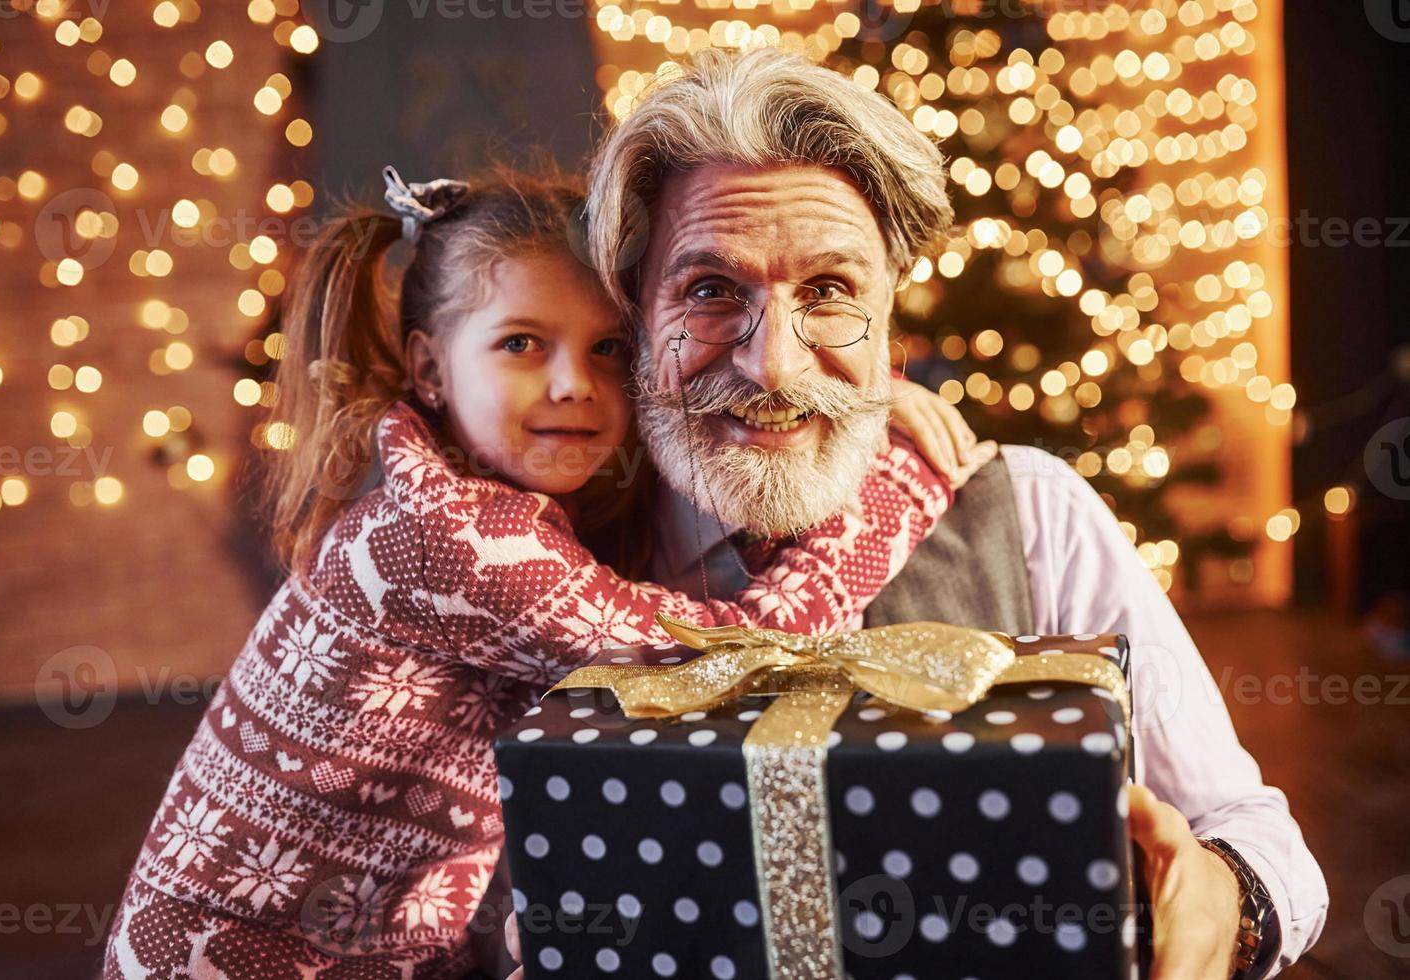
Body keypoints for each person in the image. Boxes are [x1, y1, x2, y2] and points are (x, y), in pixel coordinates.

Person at [535, 46, 1327, 980]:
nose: (775, 367)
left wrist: (1220, 901)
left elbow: (1259, 837)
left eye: (830, 293)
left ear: (889, 322)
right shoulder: (547, 548)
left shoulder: (1033, 514)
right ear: (634, 313)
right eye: (711, 291)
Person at [99, 163, 992, 977]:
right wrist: (893, 467)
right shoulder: (449, 536)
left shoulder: (484, 505)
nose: (573, 383)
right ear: (430, 368)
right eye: (523, 344)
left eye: (608, 348)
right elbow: (731, 663)